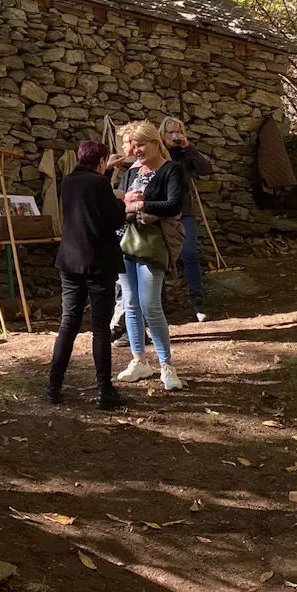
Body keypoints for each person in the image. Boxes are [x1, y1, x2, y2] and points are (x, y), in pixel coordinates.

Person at [46, 140, 126, 409]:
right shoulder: (101, 185)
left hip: (69, 261)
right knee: (100, 327)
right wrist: (121, 201)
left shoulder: (69, 181)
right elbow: (115, 219)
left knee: (68, 323)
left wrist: (105, 174)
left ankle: (53, 387)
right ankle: (105, 390)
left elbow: (88, 197)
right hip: (98, 263)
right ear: (101, 161)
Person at [111, 120, 186, 391]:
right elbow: (121, 204)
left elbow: (174, 204)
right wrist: (127, 203)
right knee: (130, 303)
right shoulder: (130, 171)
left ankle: (167, 365)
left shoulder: (172, 170)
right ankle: (139, 360)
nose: (136, 149)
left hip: (154, 244)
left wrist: (140, 203)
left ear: (156, 143)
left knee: (151, 305)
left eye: (141, 143)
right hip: (126, 242)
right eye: (132, 144)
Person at [160, 116, 214, 322]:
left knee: (189, 253)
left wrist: (188, 147)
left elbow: (205, 169)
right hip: (161, 211)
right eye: (170, 132)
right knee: (160, 257)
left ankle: (197, 301)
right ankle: (160, 303)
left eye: (178, 131)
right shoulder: (159, 154)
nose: (174, 136)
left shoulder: (186, 153)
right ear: (162, 134)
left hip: (184, 211)